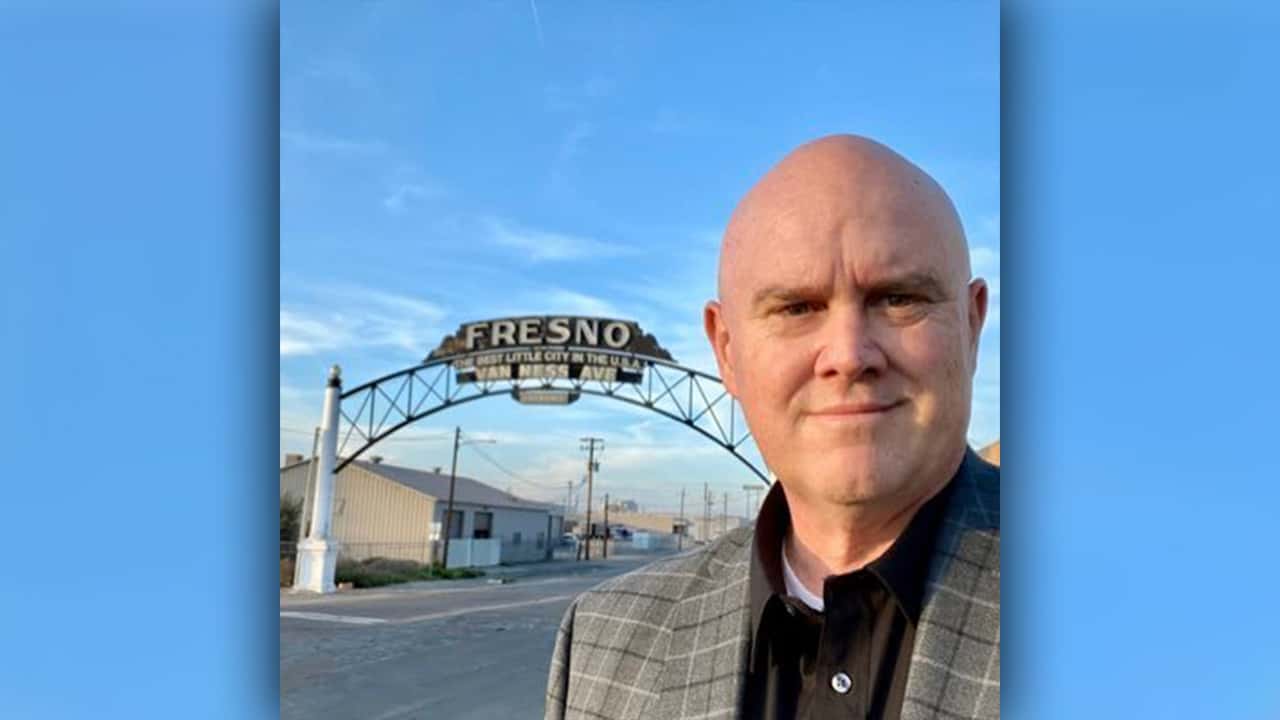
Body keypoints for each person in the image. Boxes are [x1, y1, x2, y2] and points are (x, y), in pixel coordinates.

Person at [544, 135, 999, 720]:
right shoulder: (600, 644)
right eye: (797, 308)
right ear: (726, 350)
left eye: (897, 298)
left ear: (971, 324)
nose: (848, 355)